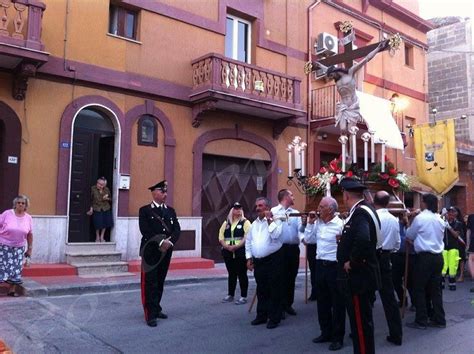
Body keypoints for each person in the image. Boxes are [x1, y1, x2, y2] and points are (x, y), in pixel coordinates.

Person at [337, 178, 381, 354]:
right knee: (362, 323)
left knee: (360, 326)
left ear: (346, 195)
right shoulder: (365, 209)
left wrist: (352, 261)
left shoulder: (360, 213)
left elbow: (363, 239)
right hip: (364, 275)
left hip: (359, 277)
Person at [313, 40, 389, 133]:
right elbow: (326, 70)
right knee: (342, 129)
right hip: (343, 106)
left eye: (332, 76)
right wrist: (319, 65)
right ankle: (344, 145)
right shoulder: (336, 79)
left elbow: (365, 59)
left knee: (351, 130)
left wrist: (377, 48)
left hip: (353, 105)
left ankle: (351, 147)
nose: (331, 78)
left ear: (335, 71)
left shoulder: (350, 72)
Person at [303, 197, 345, 351]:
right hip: (320, 265)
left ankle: (337, 337)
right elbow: (307, 239)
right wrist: (310, 223)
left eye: (321, 207)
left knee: (337, 303)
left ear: (331, 210)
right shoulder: (318, 224)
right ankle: (325, 332)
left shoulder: (340, 224)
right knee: (322, 302)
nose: (318, 209)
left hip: (334, 267)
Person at [139, 180, 181, 327]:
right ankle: (149, 314)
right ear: (154, 193)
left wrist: (170, 242)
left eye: (166, 192)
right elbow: (145, 230)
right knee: (149, 282)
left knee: (160, 281)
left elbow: (177, 229)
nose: (165, 194)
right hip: (150, 252)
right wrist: (160, 242)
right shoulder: (144, 210)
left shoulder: (170, 211)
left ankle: (156, 308)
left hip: (166, 252)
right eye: (162, 191)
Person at [405, 193, 446, 329]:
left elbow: (409, 234)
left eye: (421, 202)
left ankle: (421, 320)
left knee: (419, 288)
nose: (420, 204)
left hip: (424, 258)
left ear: (425, 203)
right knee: (436, 290)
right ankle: (439, 319)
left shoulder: (421, 218)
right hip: (438, 257)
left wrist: (408, 223)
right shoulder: (439, 218)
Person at [245, 197, 283, 329]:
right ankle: (261, 315)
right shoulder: (254, 224)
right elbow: (249, 241)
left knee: (274, 289)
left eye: (260, 206)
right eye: (256, 206)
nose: (257, 208)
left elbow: (276, 235)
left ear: (267, 208)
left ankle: (274, 318)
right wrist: (249, 258)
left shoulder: (276, 221)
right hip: (259, 262)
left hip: (272, 260)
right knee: (261, 289)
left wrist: (269, 220)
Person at [374, 191, 403, 346]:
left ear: (374, 201)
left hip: (372, 258)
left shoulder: (372, 216)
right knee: (389, 298)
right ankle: (396, 334)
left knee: (365, 296)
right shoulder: (394, 219)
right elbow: (397, 243)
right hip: (386, 258)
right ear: (388, 203)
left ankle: (362, 331)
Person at [271, 189, 301, 317]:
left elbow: (301, 229)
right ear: (285, 197)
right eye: (292, 195)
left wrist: (305, 224)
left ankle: (288, 304)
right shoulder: (273, 212)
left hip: (293, 249)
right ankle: (280, 306)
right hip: (279, 249)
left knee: (291, 276)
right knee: (280, 277)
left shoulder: (296, 213)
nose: (294, 197)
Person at [0, 195, 33, 297]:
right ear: (15, 204)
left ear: (26, 205)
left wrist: (30, 249)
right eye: (19, 202)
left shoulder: (28, 218)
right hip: (4, 246)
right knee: (2, 267)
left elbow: (30, 234)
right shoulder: (7, 214)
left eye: (23, 203)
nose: (20, 205)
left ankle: (11, 290)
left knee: (16, 269)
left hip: (19, 248)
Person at [219, 202, 251, 305]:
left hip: (240, 252)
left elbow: (247, 237)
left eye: (240, 208)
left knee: (242, 274)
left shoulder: (245, 222)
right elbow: (221, 237)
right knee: (231, 274)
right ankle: (230, 294)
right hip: (228, 253)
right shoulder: (226, 223)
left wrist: (237, 246)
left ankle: (243, 296)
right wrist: (227, 246)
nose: (238, 210)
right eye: (236, 208)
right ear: (232, 210)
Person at [391, 211, 415, 310]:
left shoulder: (412, 225)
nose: (404, 218)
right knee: (395, 280)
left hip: (410, 255)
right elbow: (397, 240)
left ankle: (414, 302)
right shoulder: (397, 225)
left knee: (410, 281)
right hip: (397, 255)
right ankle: (402, 299)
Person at [441, 206, 465, 291]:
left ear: (455, 214)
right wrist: (442, 218)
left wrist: (449, 227)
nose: (450, 214)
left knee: (452, 265)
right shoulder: (442, 222)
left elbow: (456, 235)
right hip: (443, 247)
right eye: (449, 212)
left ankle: (452, 282)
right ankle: (442, 282)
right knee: (443, 265)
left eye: (452, 212)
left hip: (453, 247)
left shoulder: (458, 224)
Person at [87, 177, 113, 242]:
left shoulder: (106, 189)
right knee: (97, 223)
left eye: (102, 185)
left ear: (104, 185)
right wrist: (91, 208)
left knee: (105, 223)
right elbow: (90, 199)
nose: (100, 186)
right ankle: (97, 237)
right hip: (97, 208)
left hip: (105, 208)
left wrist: (107, 199)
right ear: (97, 183)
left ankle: (102, 237)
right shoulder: (93, 189)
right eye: (99, 184)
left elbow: (110, 198)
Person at [467, 214, 474, 292]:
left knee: (471, 259)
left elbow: (468, 231)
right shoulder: (471, 217)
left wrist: (468, 244)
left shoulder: (471, 217)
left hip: (473, 240)